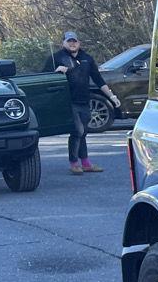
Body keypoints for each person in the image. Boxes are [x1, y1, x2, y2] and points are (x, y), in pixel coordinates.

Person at [46, 31, 111, 175]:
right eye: (69, 41)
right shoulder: (56, 58)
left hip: (84, 101)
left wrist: (112, 96)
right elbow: (44, 79)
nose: (72, 43)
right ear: (63, 43)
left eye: (74, 41)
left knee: (84, 132)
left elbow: (98, 79)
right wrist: (56, 72)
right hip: (68, 102)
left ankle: (86, 163)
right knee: (77, 131)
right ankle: (74, 163)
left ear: (79, 43)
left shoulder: (87, 58)